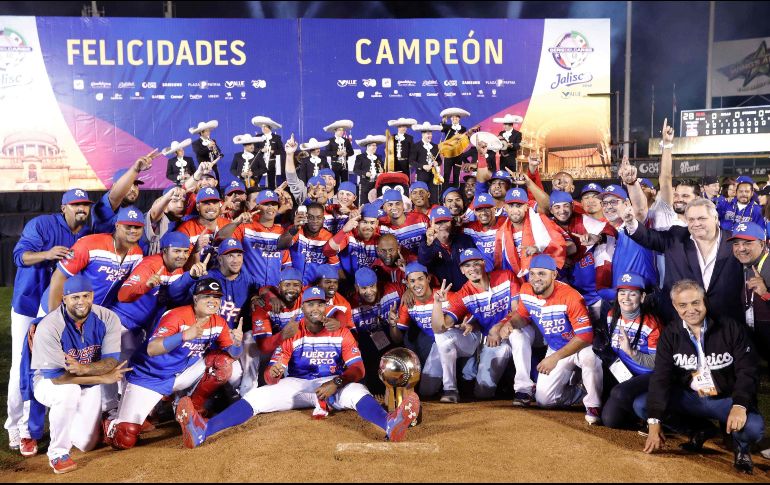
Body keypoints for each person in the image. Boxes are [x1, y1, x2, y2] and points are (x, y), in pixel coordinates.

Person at [175, 287, 421, 448]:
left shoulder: (341, 331)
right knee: (257, 396)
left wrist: (336, 382)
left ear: (326, 307)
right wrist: (273, 373)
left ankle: (390, 423)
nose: (316, 309)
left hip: (334, 383)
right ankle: (203, 430)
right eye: (310, 304)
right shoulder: (293, 333)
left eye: (320, 304)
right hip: (298, 385)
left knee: (358, 391)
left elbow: (358, 369)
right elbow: (271, 375)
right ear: (302, 308)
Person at [641, 280, 764, 475]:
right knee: (643, 406)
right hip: (691, 398)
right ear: (675, 306)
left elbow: (747, 370)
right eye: (683, 305)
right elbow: (660, 378)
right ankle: (698, 430)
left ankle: (742, 449)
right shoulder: (670, 334)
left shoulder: (730, 328)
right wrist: (654, 424)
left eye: (695, 303)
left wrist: (740, 405)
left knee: (754, 428)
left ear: (704, 301)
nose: (691, 310)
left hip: (725, 399)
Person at [105, 278, 242, 450]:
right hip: (150, 376)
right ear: (195, 298)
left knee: (222, 362)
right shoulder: (176, 315)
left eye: (216, 297)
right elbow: (152, 349)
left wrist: (237, 344)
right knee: (125, 437)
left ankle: (196, 409)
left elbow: (233, 355)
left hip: (181, 373)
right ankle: (112, 422)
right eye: (207, 296)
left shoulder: (219, 322)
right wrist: (184, 336)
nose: (212, 301)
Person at [7, 189, 93, 451]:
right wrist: (46, 254)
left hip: (58, 310)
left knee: (56, 365)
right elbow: (19, 256)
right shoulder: (42, 225)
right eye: (76, 204)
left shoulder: (87, 233)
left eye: (85, 205)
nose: (81, 209)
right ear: (63, 207)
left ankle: (65, 421)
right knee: (21, 366)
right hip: (29, 305)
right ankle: (17, 428)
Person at [31, 276, 130, 474]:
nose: (81, 301)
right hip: (49, 382)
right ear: (64, 299)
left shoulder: (108, 318)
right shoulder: (50, 326)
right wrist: (102, 378)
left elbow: (110, 362)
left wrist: (85, 369)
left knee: (86, 444)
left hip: (87, 382)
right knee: (68, 393)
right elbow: (59, 379)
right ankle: (58, 453)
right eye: (75, 297)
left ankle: (76, 420)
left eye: (86, 296)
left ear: (92, 296)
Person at [502, 254, 602, 423]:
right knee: (544, 401)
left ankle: (594, 404)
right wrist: (511, 323)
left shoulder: (571, 296)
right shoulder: (526, 290)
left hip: (579, 346)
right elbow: (524, 316)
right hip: (556, 347)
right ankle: (580, 391)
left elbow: (585, 336)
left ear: (554, 275)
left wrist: (554, 358)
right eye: (532, 274)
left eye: (542, 274)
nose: (535, 279)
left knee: (590, 358)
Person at [623, 198, 744, 325]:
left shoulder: (734, 241)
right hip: (683, 323)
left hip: (727, 321)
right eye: (691, 219)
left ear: (715, 218)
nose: (696, 223)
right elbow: (648, 237)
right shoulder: (677, 237)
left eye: (702, 218)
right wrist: (631, 222)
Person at [437, 248, 536, 401]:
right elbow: (442, 326)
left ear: (483, 264)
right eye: (467, 266)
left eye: (476, 263)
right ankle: (450, 390)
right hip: (494, 341)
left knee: (517, 334)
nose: (472, 269)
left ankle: (524, 389)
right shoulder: (463, 294)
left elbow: (519, 310)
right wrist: (438, 304)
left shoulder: (505, 276)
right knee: (483, 391)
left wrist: (498, 326)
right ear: (462, 270)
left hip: (518, 327)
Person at [46, 206, 145, 313]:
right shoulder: (89, 244)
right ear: (117, 225)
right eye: (128, 226)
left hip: (92, 313)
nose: (133, 230)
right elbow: (59, 277)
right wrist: (55, 316)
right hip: (58, 306)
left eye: (137, 227)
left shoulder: (137, 254)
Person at [599, 273, 661, 429]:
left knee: (619, 394)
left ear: (642, 297)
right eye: (622, 293)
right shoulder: (611, 316)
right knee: (610, 421)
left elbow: (658, 364)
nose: (626, 298)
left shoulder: (652, 324)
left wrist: (631, 352)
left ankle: (658, 418)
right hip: (624, 373)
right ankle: (635, 414)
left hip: (648, 375)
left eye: (632, 293)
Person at [350, 267, 404, 394]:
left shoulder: (394, 290)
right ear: (356, 287)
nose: (369, 291)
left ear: (377, 283)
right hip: (367, 347)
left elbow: (412, 289)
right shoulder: (351, 305)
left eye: (372, 286)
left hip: (391, 339)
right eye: (363, 288)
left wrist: (408, 293)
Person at [495, 187, 568, 277]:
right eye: (511, 206)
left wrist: (539, 249)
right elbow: (500, 262)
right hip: (520, 282)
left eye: (519, 206)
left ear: (526, 206)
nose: (514, 210)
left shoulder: (540, 220)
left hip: (547, 277)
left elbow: (561, 245)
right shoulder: (501, 233)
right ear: (505, 207)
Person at [729, 222, 770, 363]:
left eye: (748, 243)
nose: (741, 248)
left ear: (762, 244)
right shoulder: (747, 263)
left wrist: (766, 294)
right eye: (736, 244)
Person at [92, 151, 157, 233]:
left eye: (136, 185)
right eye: (129, 184)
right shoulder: (104, 207)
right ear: (115, 186)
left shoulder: (135, 212)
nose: (133, 189)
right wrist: (135, 169)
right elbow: (114, 197)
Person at [277, 203, 340, 285]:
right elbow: (281, 245)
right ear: (306, 217)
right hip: (293, 284)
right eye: (311, 217)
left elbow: (334, 267)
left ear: (323, 219)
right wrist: (295, 228)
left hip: (314, 289)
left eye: (319, 217)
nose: (315, 221)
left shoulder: (328, 237)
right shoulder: (296, 229)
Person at [418, 206, 476, 290]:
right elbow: (423, 263)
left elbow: (475, 264)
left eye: (445, 221)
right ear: (431, 224)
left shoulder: (464, 240)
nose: (442, 225)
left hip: (469, 290)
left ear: (451, 221)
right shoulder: (427, 245)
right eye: (438, 222)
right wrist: (428, 243)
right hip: (445, 295)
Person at [324, 204, 381, 283]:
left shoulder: (380, 240)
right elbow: (328, 251)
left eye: (372, 223)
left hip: (371, 286)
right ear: (357, 222)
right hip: (348, 283)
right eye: (364, 222)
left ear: (377, 223)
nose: (368, 227)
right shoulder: (349, 236)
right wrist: (343, 231)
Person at [379, 189, 430, 256]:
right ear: (384, 208)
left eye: (398, 204)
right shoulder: (381, 226)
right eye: (390, 205)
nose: (394, 207)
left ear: (403, 205)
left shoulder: (421, 219)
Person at [409, 121, 443, 204]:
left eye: (430, 134)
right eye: (428, 134)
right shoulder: (416, 146)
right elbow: (411, 161)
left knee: (434, 195)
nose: (430, 136)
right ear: (423, 134)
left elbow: (439, 160)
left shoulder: (435, 146)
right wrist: (423, 166)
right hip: (421, 175)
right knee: (422, 195)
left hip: (434, 176)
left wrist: (437, 163)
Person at [439, 107, 471, 187]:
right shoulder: (447, 127)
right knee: (446, 174)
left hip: (458, 154)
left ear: (459, 118)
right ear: (451, 119)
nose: (454, 119)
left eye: (456, 117)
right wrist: (443, 122)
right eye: (453, 117)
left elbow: (465, 140)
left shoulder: (463, 128)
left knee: (456, 174)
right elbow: (441, 128)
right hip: (448, 155)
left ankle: (456, 192)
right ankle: (444, 194)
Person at [252, 116, 286, 189]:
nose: (263, 128)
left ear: (269, 127)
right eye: (262, 127)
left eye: (265, 127)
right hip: (260, 162)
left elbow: (281, 150)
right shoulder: (258, 136)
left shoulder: (276, 137)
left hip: (272, 162)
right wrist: (261, 150)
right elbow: (253, 149)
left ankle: (272, 194)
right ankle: (254, 192)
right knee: (256, 179)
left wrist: (273, 151)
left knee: (272, 180)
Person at [353, 135, 386, 204]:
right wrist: (365, 173)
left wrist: (382, 170)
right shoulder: (360, 157)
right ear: (368, 146)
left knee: (376, 202)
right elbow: (356, 170)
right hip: (365, 184)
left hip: (376, 184)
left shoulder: (378, 157)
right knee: (365, 202)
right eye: (373, 145)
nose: (375, 147)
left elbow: (382, 168)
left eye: (376, 146)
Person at [323, 119, 355, 187]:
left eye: (342, 130)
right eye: (339, 130)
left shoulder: (346, 140)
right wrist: (336, 153)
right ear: (335, 130)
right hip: (335, 166)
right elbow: (326, 152)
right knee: (335, 183)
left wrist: (347, 153)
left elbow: (351, 152)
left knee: (345, 183)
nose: (341, 132)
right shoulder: (330, 141)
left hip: (344, 165)